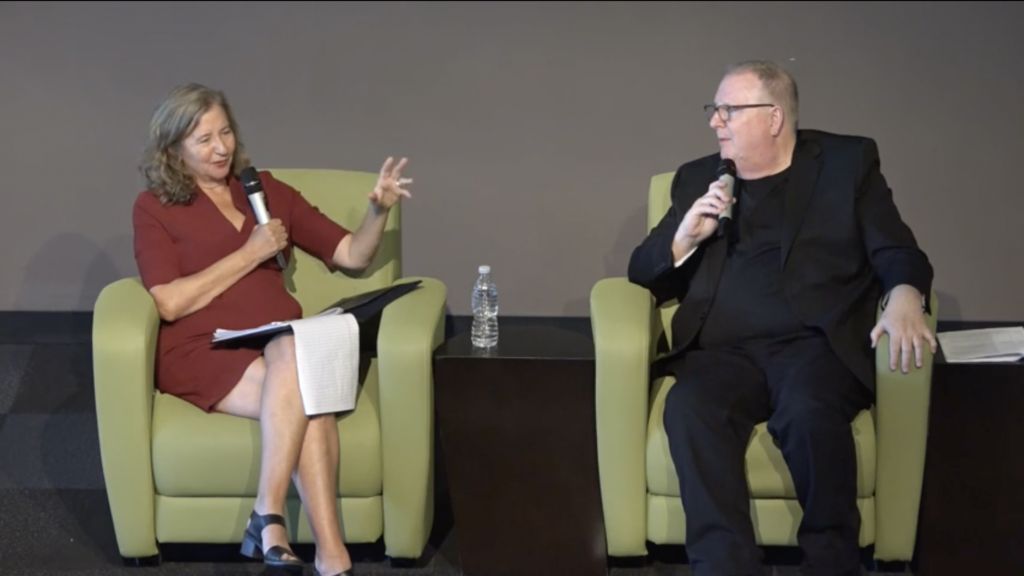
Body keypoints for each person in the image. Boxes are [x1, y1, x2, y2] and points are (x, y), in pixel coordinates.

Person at [626, 60, 936, 576]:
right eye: (714, 110)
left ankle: (831, 562)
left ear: (773, 117)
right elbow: (642, 272)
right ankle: (725, 565)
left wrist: (906, 293)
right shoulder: (698, 178)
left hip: (815, 346)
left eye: (728, 110)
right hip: (722, 353)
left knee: (810, 413)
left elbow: (897, 249)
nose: (714, 121)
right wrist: (685, 236)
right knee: (690, 409)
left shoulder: (846, 164)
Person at [132, 83, 413, 576]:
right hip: (202, 350)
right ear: (174, 151)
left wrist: (378, 210)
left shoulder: (265, 190)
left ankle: (282, 525)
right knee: (310, 388)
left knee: (299, 365)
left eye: (226, 133)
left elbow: (352, 254)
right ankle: (323, 550)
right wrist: (251, 253)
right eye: (204, 140)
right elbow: (170, 302)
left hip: (279, 346)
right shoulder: (155, 207)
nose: (222, 148)